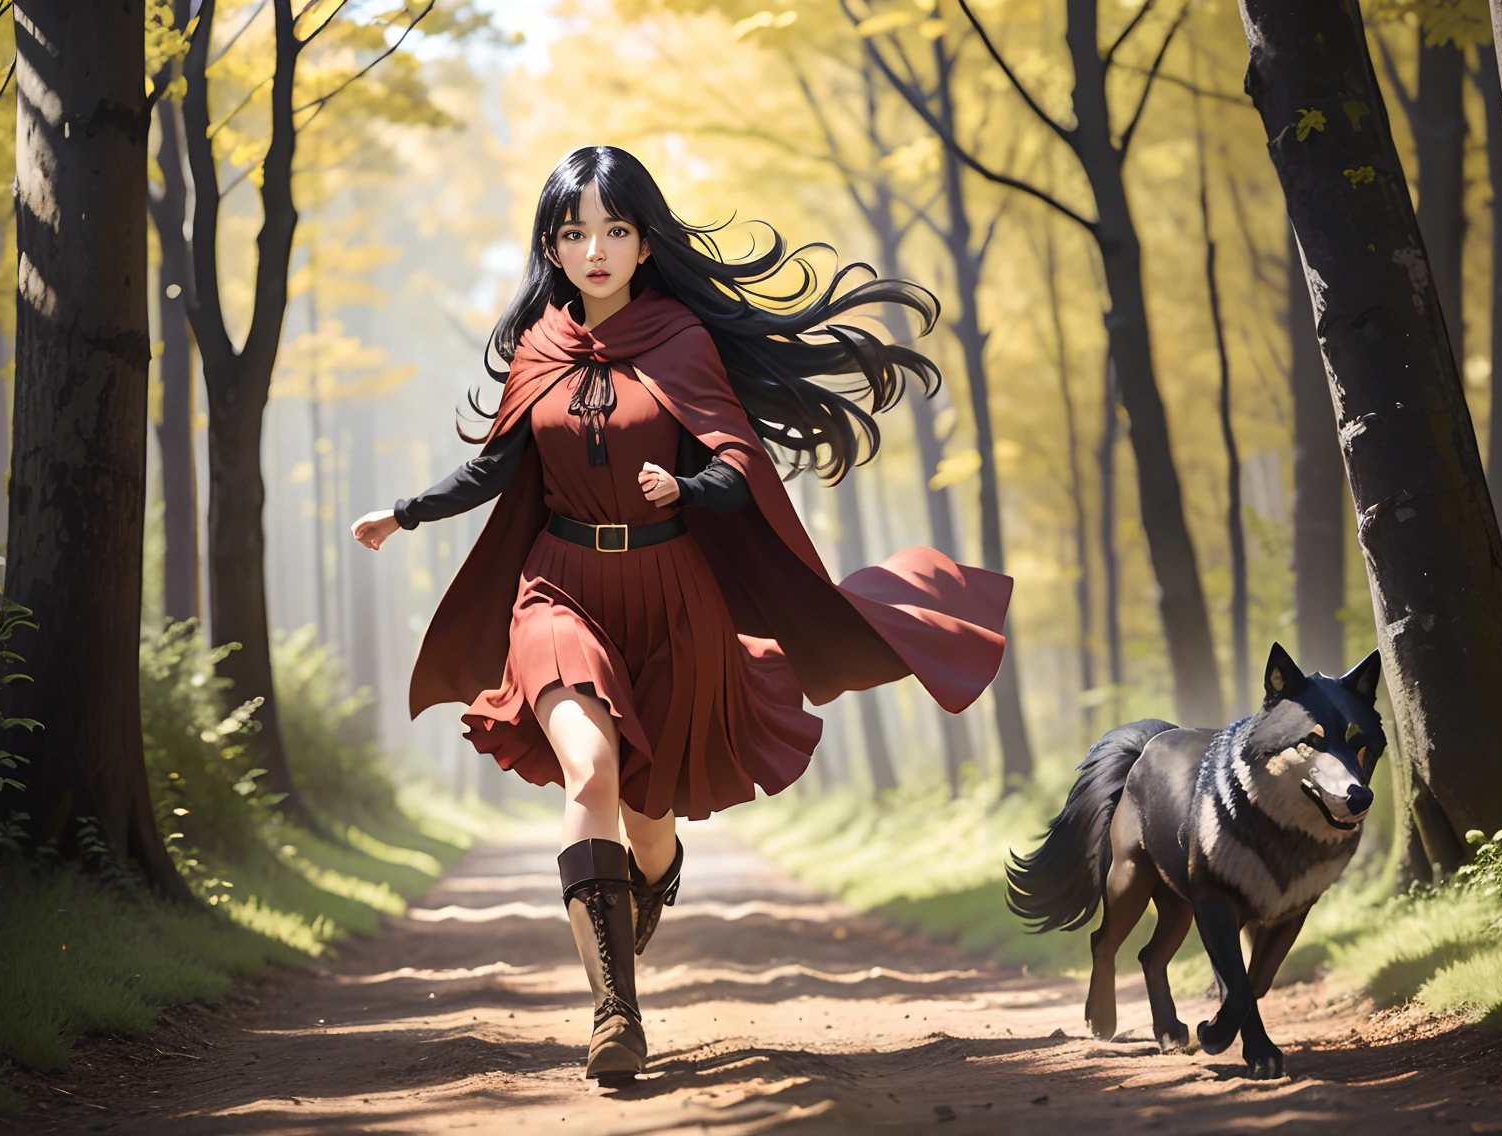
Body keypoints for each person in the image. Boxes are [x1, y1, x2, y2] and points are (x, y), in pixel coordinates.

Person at [352, 146, 1011, 1084]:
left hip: (670, 597)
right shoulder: (540, 345)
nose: (595, 249)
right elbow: (500, 465)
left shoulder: (678, 340)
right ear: (551, 244)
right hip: (559, 589)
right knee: (590, 770)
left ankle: (650, 881)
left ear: (644, 242)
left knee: (644, 816)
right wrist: (405, 513)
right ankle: (615, 1013)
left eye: (615, 230)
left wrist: (687, 486)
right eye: (574, 232)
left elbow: (741, 469)